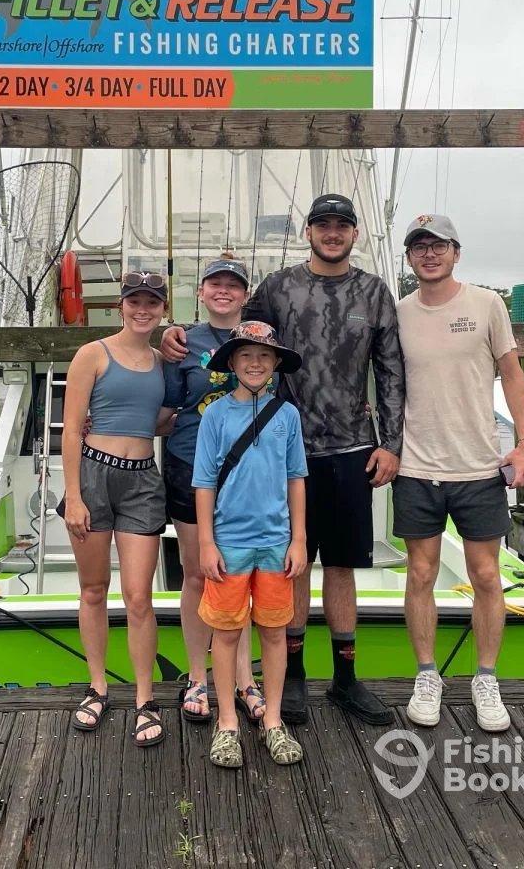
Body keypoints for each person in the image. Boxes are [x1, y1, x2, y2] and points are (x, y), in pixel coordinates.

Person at [163, 194, 405, 726]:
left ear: (355, 234)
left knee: (342, 565)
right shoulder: (277, 287)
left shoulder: (374, 291)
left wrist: (391, 443)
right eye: (323, 224)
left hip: (352, 448)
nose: (332, 233)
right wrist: (174, 330)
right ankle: (292, 675)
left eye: (342, 225)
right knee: (293, 563)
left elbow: (390, 369)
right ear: (308, 231)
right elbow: (233, 332)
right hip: (285, 446)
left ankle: (345, 678)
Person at [394, 214, 524, 733]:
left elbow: (512, 374)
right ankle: (426, 675)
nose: (429, 254)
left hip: (479, 466)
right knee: (421, 574)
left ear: (456, 251)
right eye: (419, 247)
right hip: (416, 466)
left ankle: (486, 678)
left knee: (486, 575)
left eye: (439, 245)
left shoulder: (487, 304)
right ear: (409, 257)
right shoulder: (399, 312)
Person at [61, 271, 175, 746]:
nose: (142, 309)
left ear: (163, 309)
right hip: (93, 475)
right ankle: (98, 687)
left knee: (139, 597)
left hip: (143, 480)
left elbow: (159, 421)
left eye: (152, 302)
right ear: (121, 306)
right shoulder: (93, 354)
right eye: (135, 301)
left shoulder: (163, 362)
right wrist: (73, 496)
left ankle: (145, 699)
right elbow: (71, 430)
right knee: (93, 590)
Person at [193, 321, 308, 767]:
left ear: (276, 362)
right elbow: (204, 482)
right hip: (230, 543)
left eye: (264, 355)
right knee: (225, 634)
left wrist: (298, 539)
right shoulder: (216, 415)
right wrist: (207, 542)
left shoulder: (288, 415)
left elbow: (296, 478)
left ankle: (273, 720)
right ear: (232, 363)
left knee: (275, 633)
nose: (255, 363)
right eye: (245, 355)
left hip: (276, 543)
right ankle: (227, 723)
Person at [162, 255, 265, 724]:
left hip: (247, 472)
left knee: (239, 574)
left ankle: (243, 677)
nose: (224, 291)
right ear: (201, 292)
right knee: (197, 574)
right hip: (189, 465)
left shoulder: (261, 339)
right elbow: (166, 408)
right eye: (215, 284)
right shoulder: (183, 342)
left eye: (233, 285)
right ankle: (197, 676)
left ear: (246, 295)